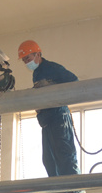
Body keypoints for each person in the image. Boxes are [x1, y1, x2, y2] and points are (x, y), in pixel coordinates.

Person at [18, 40, 80, 178]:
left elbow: (74, 82)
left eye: (28, 58)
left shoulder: (52, 68)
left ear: (38, 54)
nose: (26, 62)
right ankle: (57, 190)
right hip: (47, 121)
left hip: (59, 118)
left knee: (65, 157)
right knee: (49, 161)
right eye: (24, 60)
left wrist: (54, 89)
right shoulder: (37, 73)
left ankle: (74, 188)